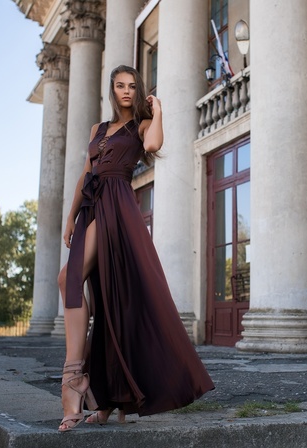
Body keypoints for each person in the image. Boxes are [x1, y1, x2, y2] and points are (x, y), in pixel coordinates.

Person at [56, 65, 214, 432]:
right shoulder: (98, 130)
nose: (126, 91)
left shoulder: (140, 125)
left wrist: (158, 111)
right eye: (119, 86)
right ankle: (110, 398)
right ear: (111, 90)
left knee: (69, 278)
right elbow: (85, 174)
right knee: (108, 300)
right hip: (93, 208)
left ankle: (74, 378)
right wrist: (70, 218)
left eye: (131, 86)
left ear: (138, 90)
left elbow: (154, 144)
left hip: (118, 209)